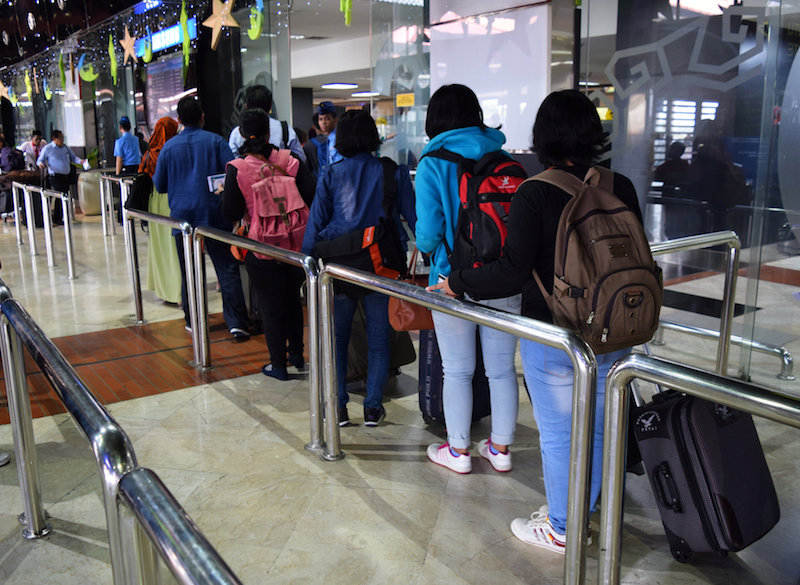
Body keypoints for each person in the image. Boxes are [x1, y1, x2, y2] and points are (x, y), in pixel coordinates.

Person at [430, 89, 642, 554]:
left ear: (542, 136)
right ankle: (586, 511)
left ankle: (563, 527)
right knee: (602, 427)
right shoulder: (619, 185)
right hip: (617, 326)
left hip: (558, 332)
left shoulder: (536, 189)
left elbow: (511, 269)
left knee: (560, 433)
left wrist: (458, 283)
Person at [414, 84, 522, 475]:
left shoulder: (433, 161)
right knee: (501, 370)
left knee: (457, 370)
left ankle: (458, 452)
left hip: (451, 277)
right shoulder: (503, 156)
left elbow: (427, 233)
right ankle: (501, 448)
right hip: (503, 277)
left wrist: (433, 251)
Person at [301, 109, 417, 426]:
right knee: (379, 342)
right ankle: (372, 407)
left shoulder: (330, 173)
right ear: (372, 137)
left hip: (338, 268)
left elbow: (316, 225)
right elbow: (414, 220)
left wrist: (307, 261)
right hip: (379, 267)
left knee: (337, 342)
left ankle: (338, 407)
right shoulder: (393, 172)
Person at [222, 108, 317, 380]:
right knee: (292, 301)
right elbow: (311, 195)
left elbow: (229, 211)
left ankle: (278, 366)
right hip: (295, 246)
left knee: (270, 305)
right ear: (268, 132)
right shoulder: (291, 160)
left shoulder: (237, 169)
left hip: (260, 247)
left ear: (241, 133)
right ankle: (297, 355)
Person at [153, 95, 251, 341]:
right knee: (227, 268)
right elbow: (233, 175)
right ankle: (237, 323)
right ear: (202, 117)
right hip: (215, 214)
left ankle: (193, 319)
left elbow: (160, 185)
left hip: (182, 219)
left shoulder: (169, 147)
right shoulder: (216, 141)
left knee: (189, 271)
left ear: (179, 120)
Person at [140, 116, 182, 304]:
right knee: (174, 246)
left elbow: (144, 176)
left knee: (159, 246)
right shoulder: (175, 151)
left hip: (154, 202)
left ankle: (165, 291)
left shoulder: (150, 154)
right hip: (172, 199)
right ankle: (178, 290)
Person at [228, 85, 306, 161]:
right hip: (279, 172)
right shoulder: (284, 129)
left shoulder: (236, 133)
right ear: (270, 107)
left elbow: (232, 162)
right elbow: (301, 158)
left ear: (246, 106)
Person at [37, 130, 87, 226]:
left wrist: (82, 162)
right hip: (55, 176)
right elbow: (40, 160)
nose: (62, 140)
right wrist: (41, 164)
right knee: (60, 195)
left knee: (64, 195)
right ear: (54, 139)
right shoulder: (48, 149)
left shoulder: (65, 148)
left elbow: (74, 158)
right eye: (60, 138)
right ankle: (57, 218)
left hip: (65, 176)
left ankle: (61, 216)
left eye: (63, 137)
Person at [307, 102, 341, 177]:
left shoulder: (339, 139)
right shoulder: (327, 140)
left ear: (335, 120)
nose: (323, 122)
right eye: (321, 119)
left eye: (327, 118)